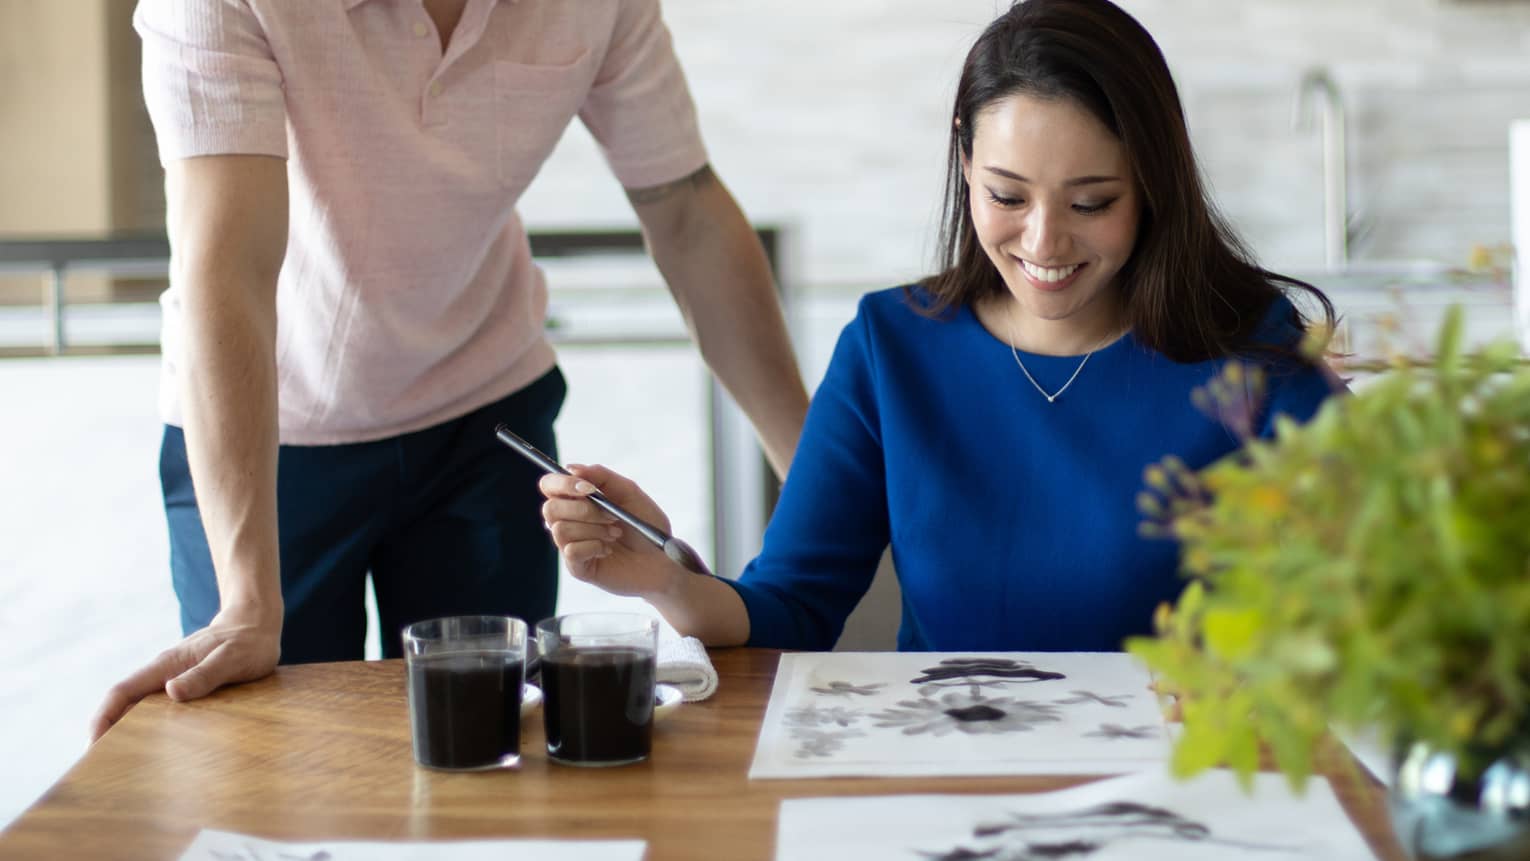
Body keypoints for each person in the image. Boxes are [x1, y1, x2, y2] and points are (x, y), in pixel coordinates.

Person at [90, 0, 809, 740]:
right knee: (274, 753)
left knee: (489, 749)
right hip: (267, 434)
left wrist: (823, 480)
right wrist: (247, 602)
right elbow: (230, 270)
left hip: (484, 420)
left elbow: (685, 211)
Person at [536, 0, 1341, 653]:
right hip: (947, 774)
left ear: (1153, 183)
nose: (1044, 243)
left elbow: (1367, 592)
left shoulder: (1254, 354)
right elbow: (789, 607)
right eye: (1007, 196)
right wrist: (665, 580)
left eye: (1091, 202)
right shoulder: (890, 348)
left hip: (1183, 776)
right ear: (964, 161)